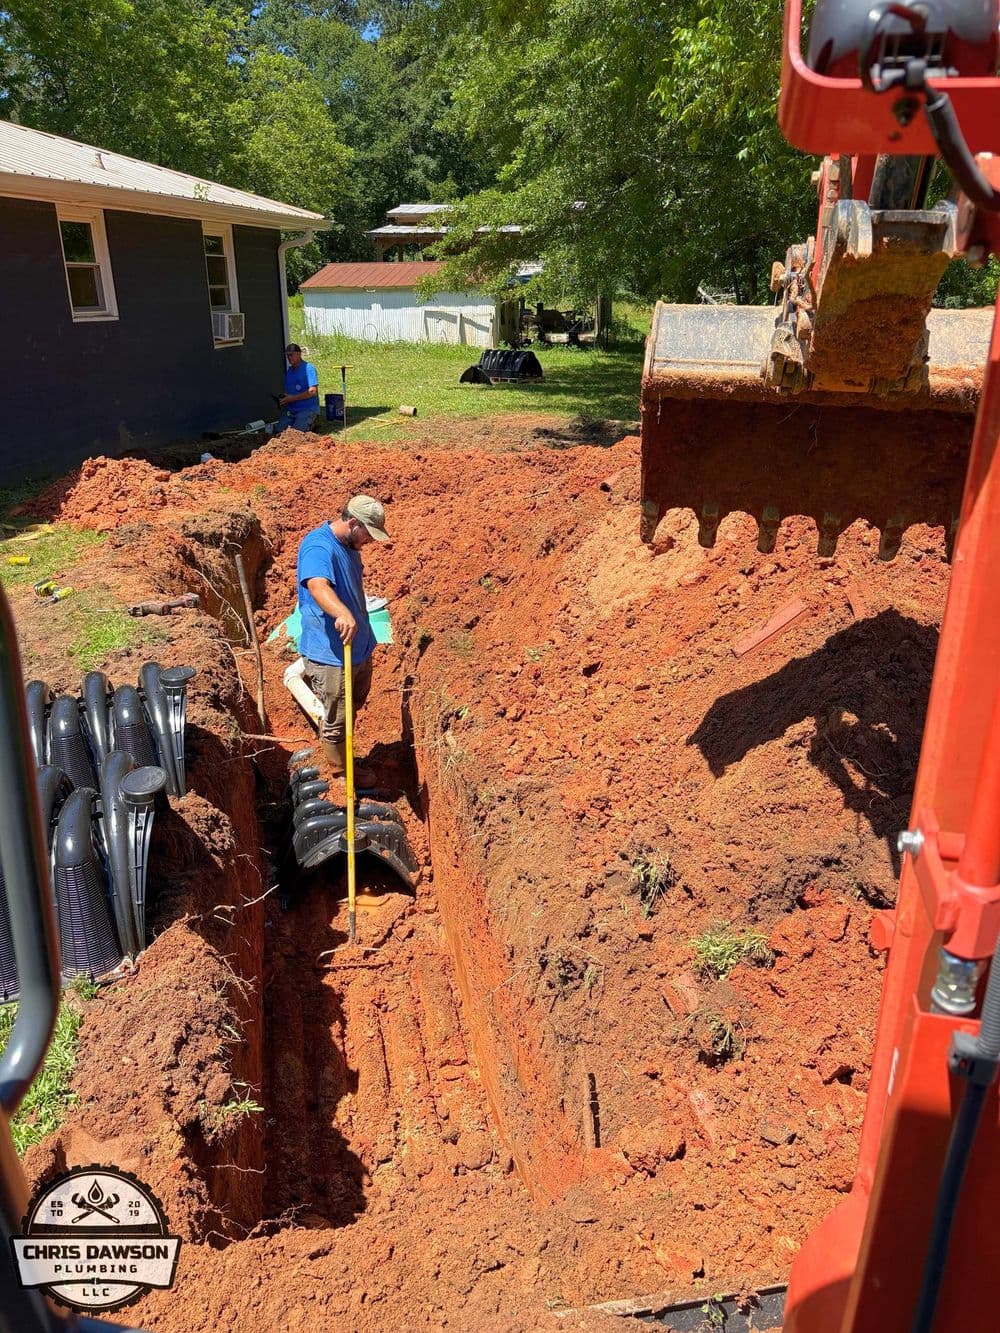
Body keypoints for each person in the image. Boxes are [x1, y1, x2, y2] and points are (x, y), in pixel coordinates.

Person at [296, 495, 391, 790]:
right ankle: (340, 775)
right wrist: (341, 613)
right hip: (331, 654)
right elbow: (317, 584)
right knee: (337, 717)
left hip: (358, 645)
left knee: (352, 705)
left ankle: (345, 755)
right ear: (352, 523)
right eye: (367, 535)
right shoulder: (318, 546)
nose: (370, 542)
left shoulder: (350, 544)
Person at [276, 343, 319, 433]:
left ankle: (313, 422)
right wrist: (285, 398)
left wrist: (292, 398)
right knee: (279, 432)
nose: (289, 358)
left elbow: (312, 391)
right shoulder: (290, 371)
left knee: (297, 434)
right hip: (291, 410)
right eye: (287, 355)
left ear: (299, 354)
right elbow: (291, 392)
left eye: (291, 355)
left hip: (307, 409)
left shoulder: (308, 368)